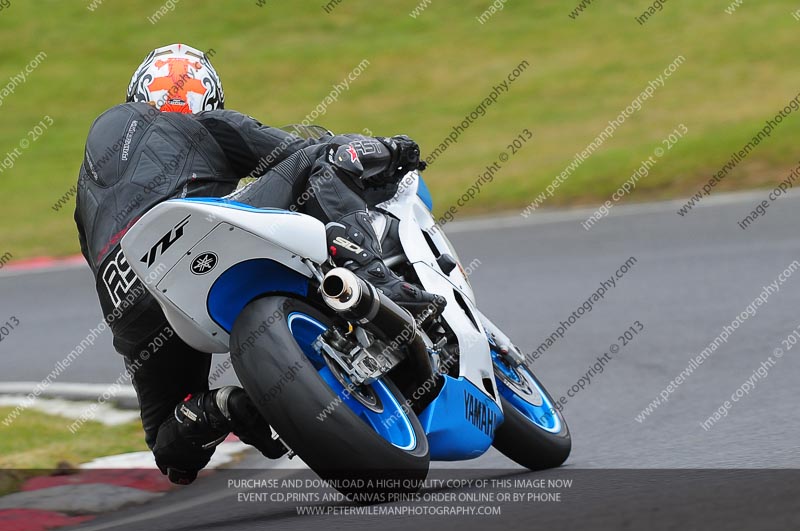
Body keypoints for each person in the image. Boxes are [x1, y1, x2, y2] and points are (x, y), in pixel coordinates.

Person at [74, 43, 443, 485]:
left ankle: (218, 408)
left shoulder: (87, 187)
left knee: (171, 452)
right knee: (328, 157)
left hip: (128, 293)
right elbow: (298, 151)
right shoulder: (206, 123)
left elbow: (97, 253)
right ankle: (376, 280)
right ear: (210, 101)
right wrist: (388, 152)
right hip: (194, 227)